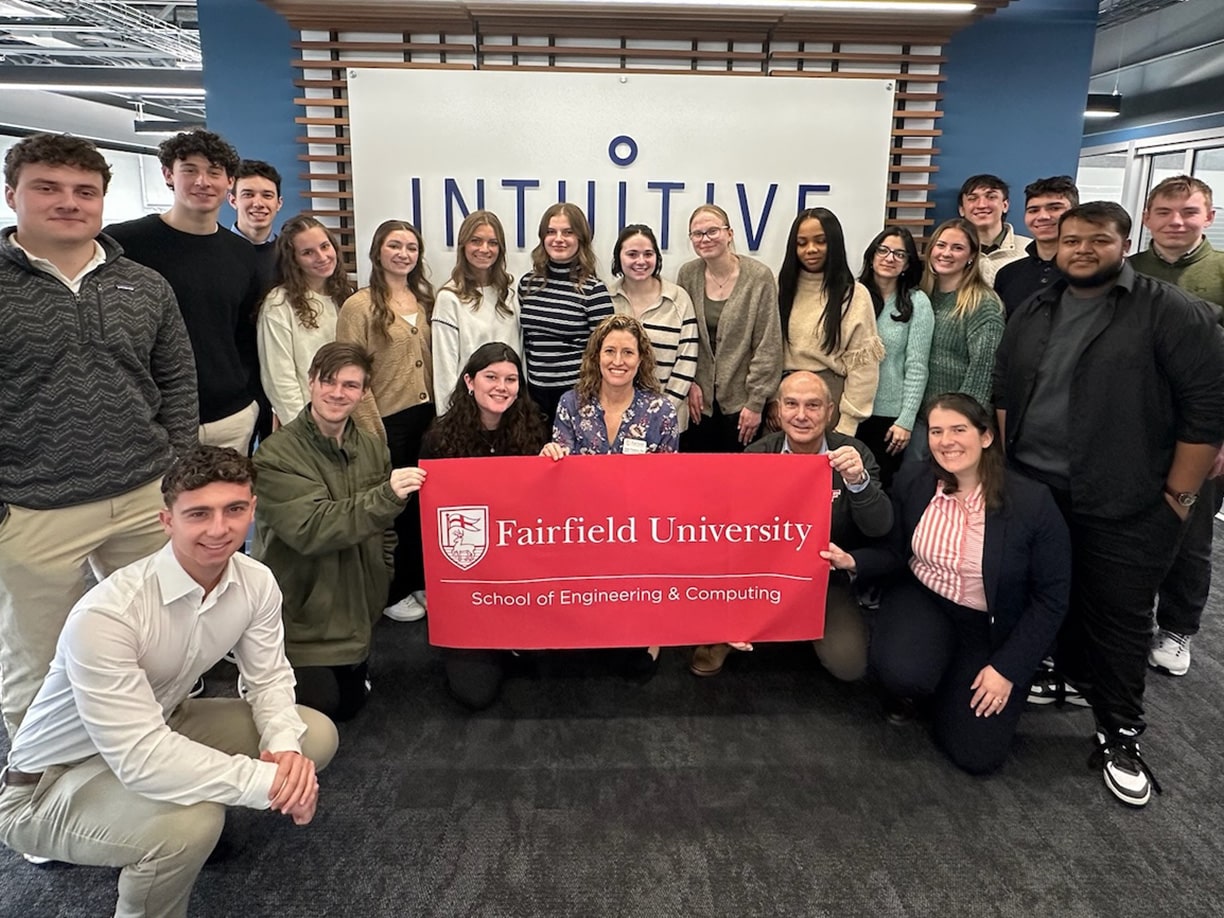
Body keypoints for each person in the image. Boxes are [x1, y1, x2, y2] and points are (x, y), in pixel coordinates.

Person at [0, 446, 339, 918]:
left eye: (234, 510)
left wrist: (284, 749)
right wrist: (272, 784)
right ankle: (147, 850)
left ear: (252, 510)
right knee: (194, 824)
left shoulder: (256, 581)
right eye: (198, 514)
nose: (219, 529)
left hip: (157, 726)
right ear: (166, 521)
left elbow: (269, 679)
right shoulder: (109, 614)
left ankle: (147, 821)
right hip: (48, 783)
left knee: (313, 735)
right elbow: (139, 758)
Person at [994, 201, 1224, 807]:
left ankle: (1120, 730)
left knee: (1120, 616)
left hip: (1127, 496)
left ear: (1125, 242)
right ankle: (1060, 672)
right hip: (1037, 488)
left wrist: (1179, 497)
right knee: (1048, 591)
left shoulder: (1170, 310)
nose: (1082, 249)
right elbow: (1003, 388)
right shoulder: (1035, 307)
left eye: (1098, 239)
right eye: (1072, 240)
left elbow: (1206, 411)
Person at [0, 133, 199, 741]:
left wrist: (179, 474)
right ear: (13, 196)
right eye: (48, 188)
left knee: (158, 639)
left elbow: (177, 379)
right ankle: (40, 787)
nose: (69, 202)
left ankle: (159, 756)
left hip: (143, 492)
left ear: (102, 201)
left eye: (85, 191)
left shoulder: (143, 285)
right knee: (39, 659)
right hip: (33, 505)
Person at [846, 393, 1070, 775]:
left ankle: (951, 682)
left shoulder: (1032, 502)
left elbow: (1051, 599)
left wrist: (1008, 670)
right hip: (925, 599)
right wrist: (854, 562)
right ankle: (931, 677)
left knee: (976, 755)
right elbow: (897, 552)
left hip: (990, 625)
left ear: (985, 437)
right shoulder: (916, 480)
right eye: (936, 431)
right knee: (902, 672)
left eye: (958, 429)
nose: (945, 440)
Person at [253, 343, 422, 721]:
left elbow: (386, 530)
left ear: (363, 393)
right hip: (303, 617)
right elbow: (313, 528)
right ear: (311, 383)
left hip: (357, 609)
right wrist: (386, 496)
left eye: (350, 385)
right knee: (325, 710)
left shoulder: (374, 449)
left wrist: (382, 578)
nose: (337, 393)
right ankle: (260, 675)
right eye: (328, 381)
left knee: (349, 705)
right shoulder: (275, 456)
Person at [691, 371, 891, 681]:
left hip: (824, 577)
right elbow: (727, 530)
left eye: (812, 405)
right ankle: (734, 632)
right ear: (778, 410)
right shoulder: (757, 455)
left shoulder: (854, 454)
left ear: (829, 411)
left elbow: (880, 527)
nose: (801, 415)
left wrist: (858, 482)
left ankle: (803, 628)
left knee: (849, 665)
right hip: (760, 575)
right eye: (791, 404)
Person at [106, 129, 264, 453]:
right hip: (153, 419)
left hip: (230, 416)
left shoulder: (241, 253)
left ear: (229, 181)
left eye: (214, 172)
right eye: (189, 169)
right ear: (168, 175)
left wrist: (252, 402)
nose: (202, 181)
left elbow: (246, 337)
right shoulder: (125, 243)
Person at [420, 342, 549, 709]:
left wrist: (553, 465)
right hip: (470, 583)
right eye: (490, 377)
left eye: (510, 379)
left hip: (518, 574)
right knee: (474, 695)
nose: (501, 387)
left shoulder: (534, 432)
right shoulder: (439, 440)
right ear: (469, 382)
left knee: (541, 660)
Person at [1130, 175, 1224, 677]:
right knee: (1129, 529)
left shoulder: (1221, 271)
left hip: (1200, 431)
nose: (1176, 222)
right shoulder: (1125, 271)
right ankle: (1131, 618)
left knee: (1189, 535)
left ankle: (1178, 627)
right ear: (1147, 217)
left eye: (1189, 212)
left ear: (1208, 216)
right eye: (1164, 212)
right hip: (1134, 428)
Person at [336, 219, 435, 623]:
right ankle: (390, 590)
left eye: (411, 247)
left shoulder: (424, 297)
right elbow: (349, 370)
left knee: (419, 508)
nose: (403, 254)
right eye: (395, 245)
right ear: (378, 251)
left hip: (426, 418)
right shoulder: (359, 305)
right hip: (384, 421)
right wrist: (372, 430)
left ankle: (419, 580)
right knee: (389, 508)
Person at [676, 204, 783, 452]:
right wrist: (688, 384)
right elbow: (684, 338)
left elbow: (768, 344)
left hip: (742, 404)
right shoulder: (688, 274)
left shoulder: (758, 277)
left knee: (739, 482)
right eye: (697, 234)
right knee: (699, 480)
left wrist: (756, 403)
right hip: (698, 404)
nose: (705, 239)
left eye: (713, 231)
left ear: (730, 234)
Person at [775, 207, 884, 436]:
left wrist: (848, 423)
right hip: (782, 403)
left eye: (820, 241)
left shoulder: (854, 294)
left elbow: (863, 369)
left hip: (828, 402)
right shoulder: (778, 288)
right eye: (802, 243)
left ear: (834, 243)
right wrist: (769, 404)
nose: (811, 249)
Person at [911, 218, 1004, 461]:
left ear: (972, 256)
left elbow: (983, 372)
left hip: (953, 428)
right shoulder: (921, 297)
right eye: (940, 246)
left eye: (957, 248)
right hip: (918, 420)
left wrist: (956, 426)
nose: (946, 253)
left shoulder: (982, 303)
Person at [517, 202, 614, 426]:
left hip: (577, 397)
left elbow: (604, 351)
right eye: (551, 232)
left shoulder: (594, 290)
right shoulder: (527, 285)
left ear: (580, 238)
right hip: (533, 397)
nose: (558, 239)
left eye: (568, 232)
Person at [853, 227, 934, 488]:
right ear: (872, 255)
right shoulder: (852, 295)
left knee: (880, 488)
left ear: (907, 264)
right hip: (850, 410)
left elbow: (917, 367)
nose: (890, 258)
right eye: (884, 250)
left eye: (900, 254)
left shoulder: (917, 302)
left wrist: (906, 420)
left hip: (890, 419)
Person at [256, 215, 354, 427]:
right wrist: (303, 427)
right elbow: (279, 379)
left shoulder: (344, 295)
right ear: (294, 261)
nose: (321, 256)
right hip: (305, 421)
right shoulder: (278, 304)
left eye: (324, 246)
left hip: (345, 417)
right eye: (308, 252)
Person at [545, 314, 680, 456]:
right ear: (597, 356)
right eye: (610, 351)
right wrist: (549, 458)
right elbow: (562, 468)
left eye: (628, 352)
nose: (617, 361)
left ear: (640, 359)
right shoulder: (571, 405)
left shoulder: (662, 412)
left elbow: (667, 474)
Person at [608, 223, 699, 431]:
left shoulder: (678, 298)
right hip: (613, 420)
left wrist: (661, 412)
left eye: (648, 254)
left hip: (667, 420)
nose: (641, 261)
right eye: (632, 254)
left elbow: (687, 361)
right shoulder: (605, 298)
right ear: (618, 257)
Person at [432, 209, 523, 415]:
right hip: (468, 411)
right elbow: (444, 369)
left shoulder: (509, 293)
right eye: (476, 241)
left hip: (508, 406)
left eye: (492, 243)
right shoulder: (449, 297)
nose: (484, 249)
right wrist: (447, 419)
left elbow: (520, 354)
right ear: (463, 246)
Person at [993, 176, 1079, 318]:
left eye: (1055, 208)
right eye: (1033, 210)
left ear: (1075, 213)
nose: (1043, 216)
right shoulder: (1008, 275)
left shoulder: (1089, 272)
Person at [957, 174, 1032, 283]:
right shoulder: (949, 253)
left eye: (991, 197)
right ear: (962, 210)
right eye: (972, 198)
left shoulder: (1029, 250)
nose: (982, 205)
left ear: (1005, 205)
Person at [228, 159, 284, 293]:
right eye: (248, 194)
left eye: (267, 195)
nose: (258, 203)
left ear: (279, 203)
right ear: (233, 200)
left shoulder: (288, 255)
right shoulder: (216, 253)